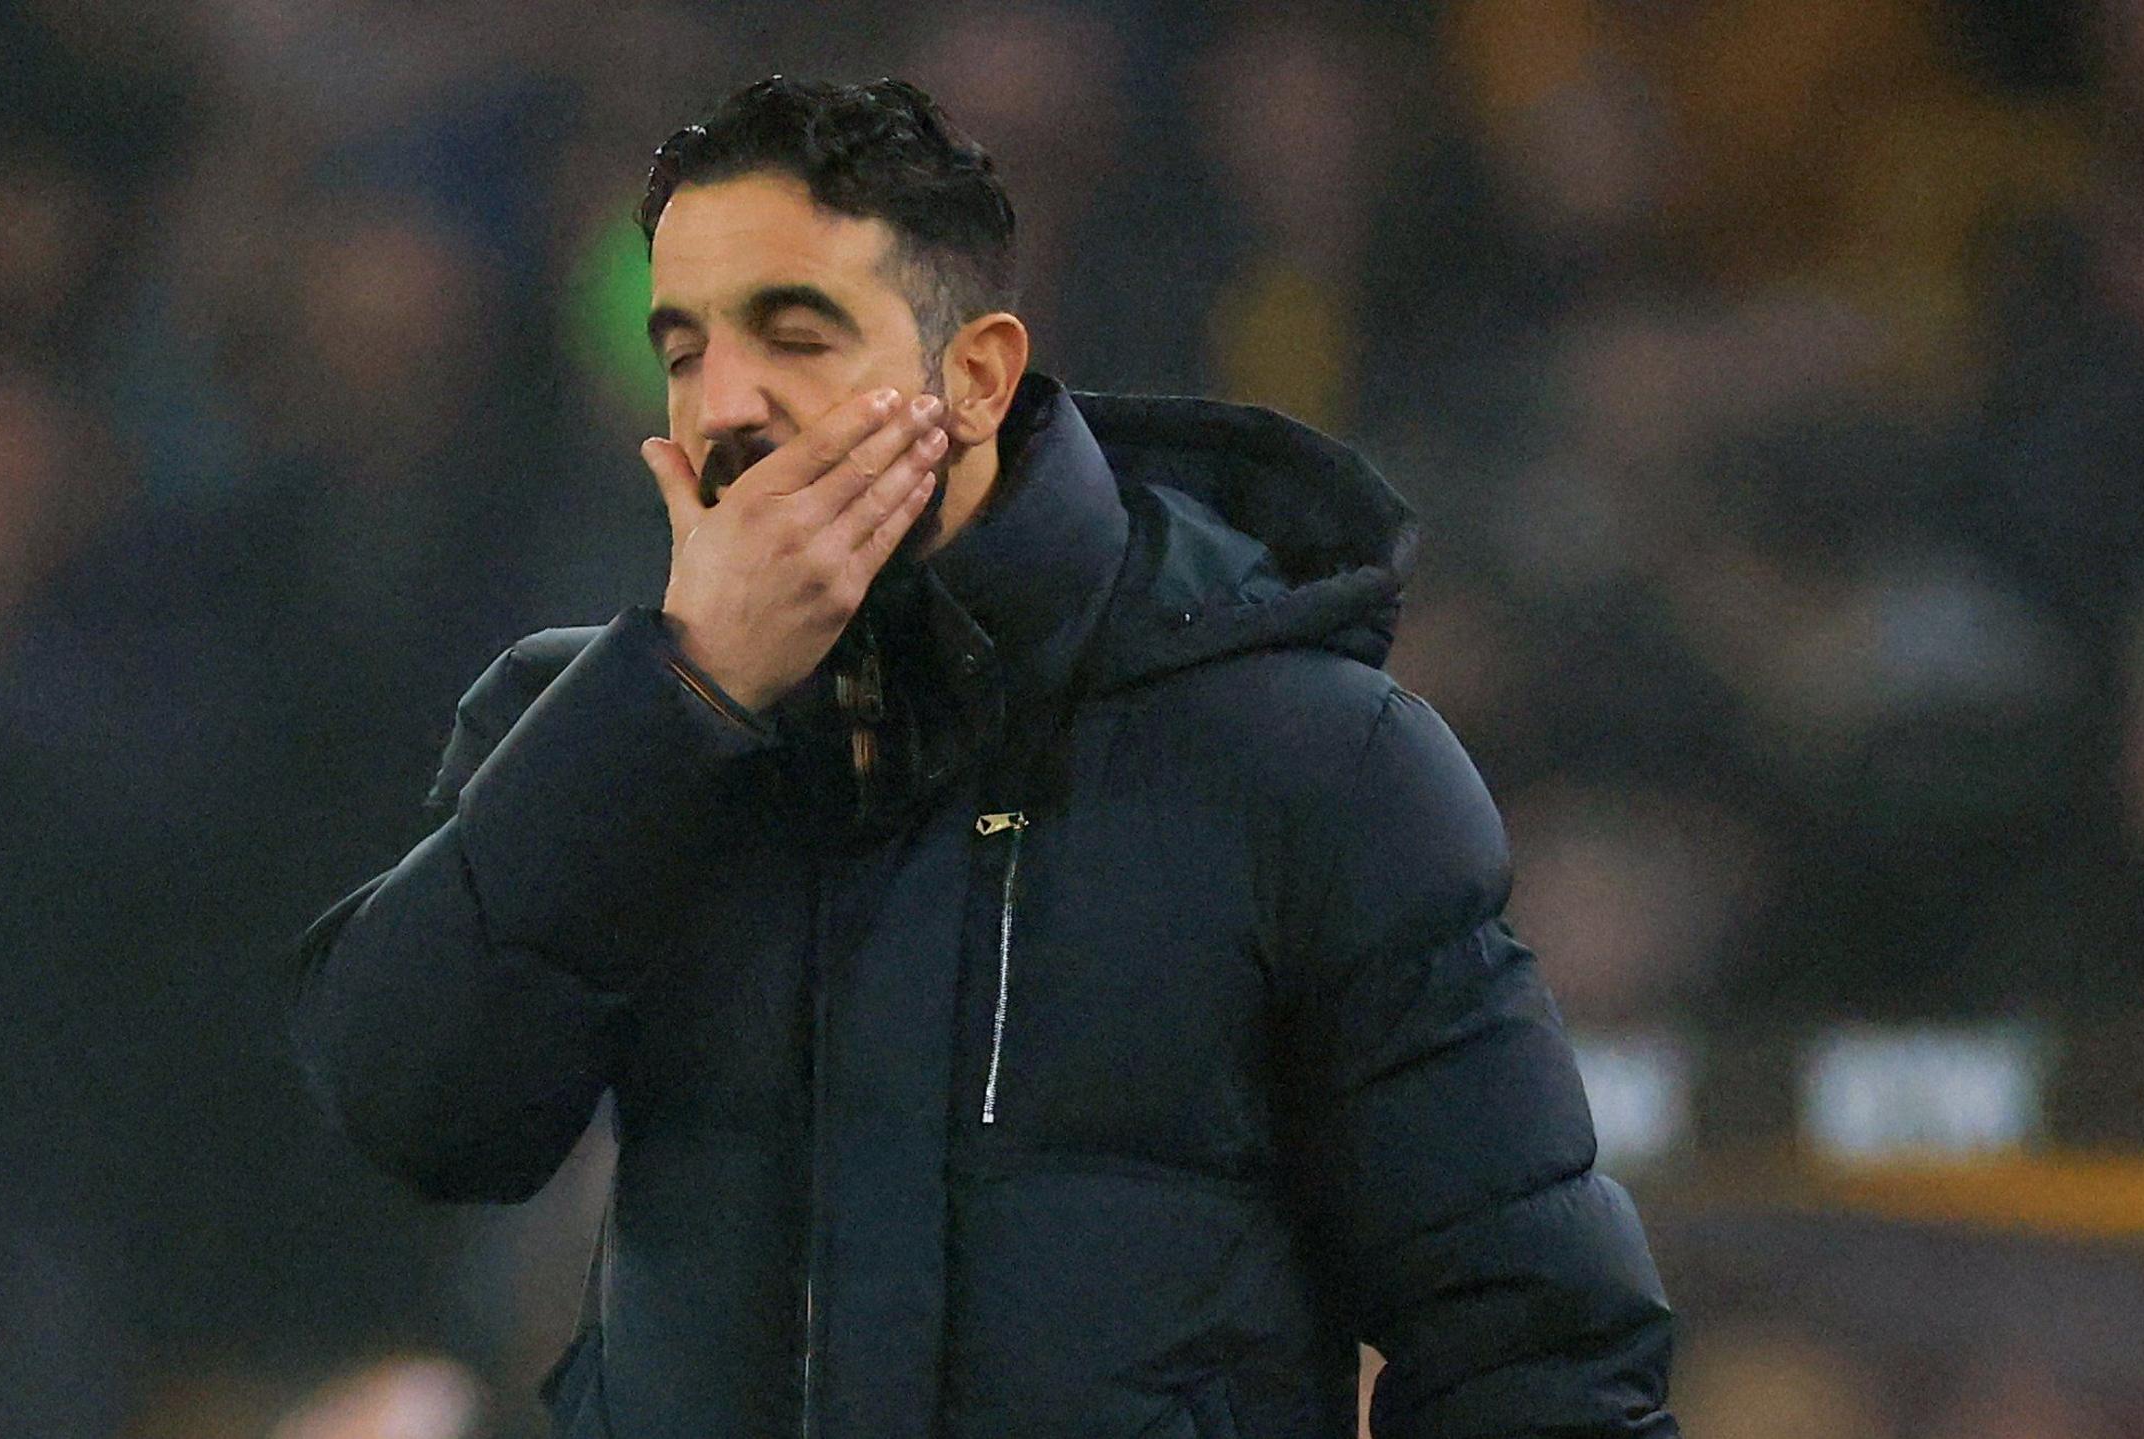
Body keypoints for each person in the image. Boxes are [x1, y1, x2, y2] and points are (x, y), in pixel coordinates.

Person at [289, 76, 1677, 1439]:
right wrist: (676, 704)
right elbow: (413, 1113)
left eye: (796, 335)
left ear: (974, 376)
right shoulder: (600, 737)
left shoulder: (1306, 759)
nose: (726, 409)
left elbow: (1534, 1334)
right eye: (686, 348)